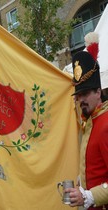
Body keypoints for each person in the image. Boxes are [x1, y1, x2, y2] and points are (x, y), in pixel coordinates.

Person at [64, 32, 108, 210]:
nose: (81, 99)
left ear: (98, 92)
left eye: (86, 93)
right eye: (78, 95)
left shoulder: (105, 124)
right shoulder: (89, 122)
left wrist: (89, 195)